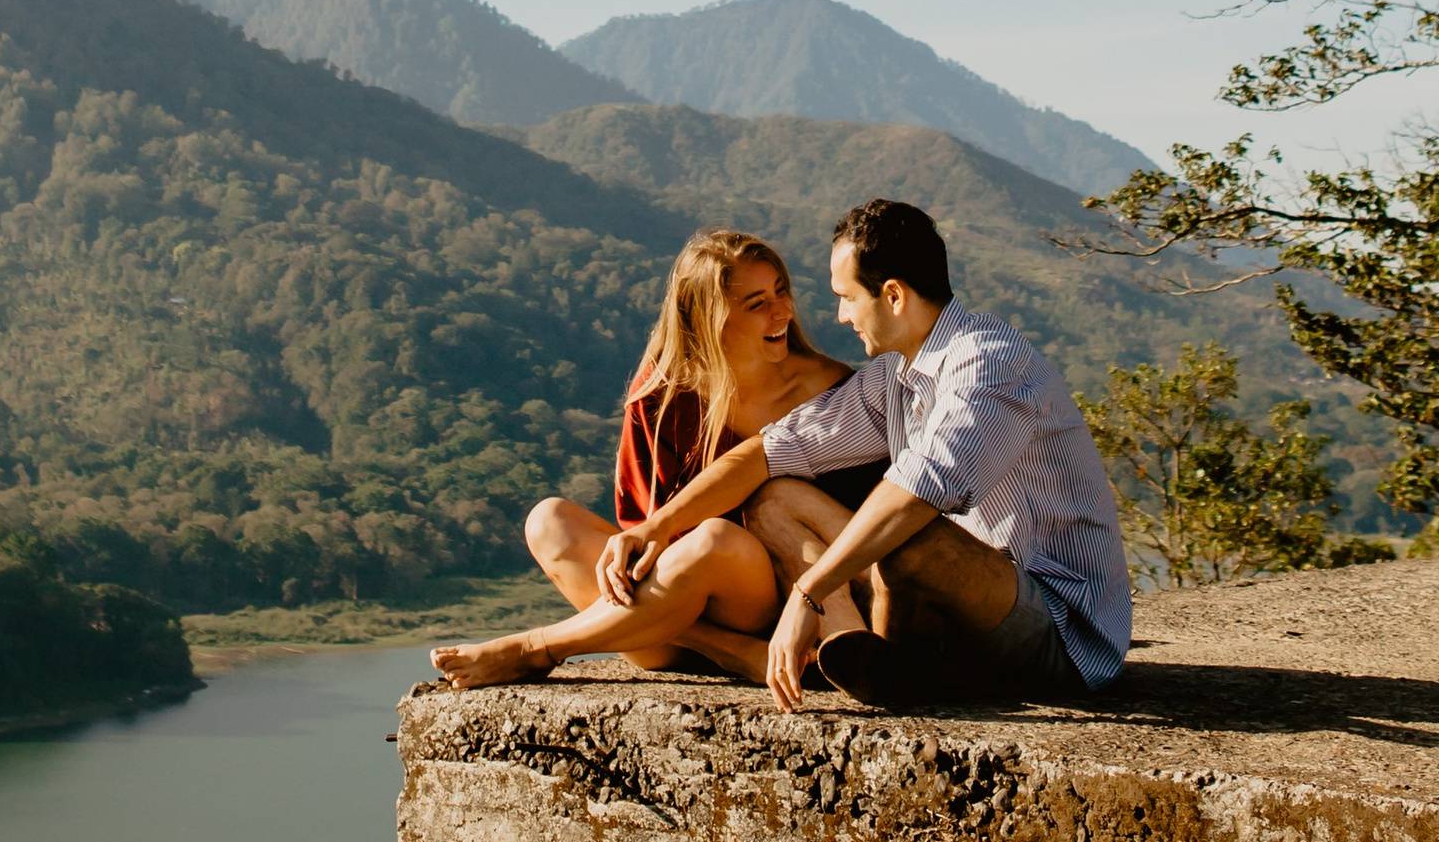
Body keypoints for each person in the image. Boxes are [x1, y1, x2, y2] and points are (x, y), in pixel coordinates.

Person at [602, 196, 1131, 713]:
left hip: (1059, 630)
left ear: (894, 296)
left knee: (907, 534)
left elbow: (915, 496)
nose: (838, 316)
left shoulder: (988, 364)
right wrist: (657, 527)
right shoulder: (894, 377)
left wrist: (807, 593)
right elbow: (765, 454)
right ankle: (874, 657)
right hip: (966, 605)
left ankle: (906, 666)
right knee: (776, 496)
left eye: (848, 297)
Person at [429, 230, 856, 690]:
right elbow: (641, 534)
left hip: (781, 608)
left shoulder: (830, 390)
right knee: (547, 520)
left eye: (781, 291)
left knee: (713, 541)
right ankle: (728, 651)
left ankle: (536, 647)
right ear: (707, 319)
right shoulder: (662, 395)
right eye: (756, 304)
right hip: (667, 613)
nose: (782, 312)